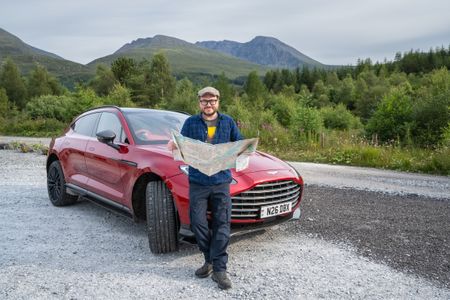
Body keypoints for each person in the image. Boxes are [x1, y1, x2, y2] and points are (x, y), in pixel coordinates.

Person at [167, 86, 242, 290]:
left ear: (218, 101)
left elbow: (240, 144)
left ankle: (219, 269)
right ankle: (209, 259)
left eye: (212, 101)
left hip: (221, 181)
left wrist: (246, 149)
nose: (208, 104)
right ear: (199, 102)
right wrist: (173, 146)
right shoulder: (190, 123)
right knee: (198, 222)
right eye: (204, 101)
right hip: (198, 181)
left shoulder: (228, 121)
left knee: (222, 224)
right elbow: (180, 145)